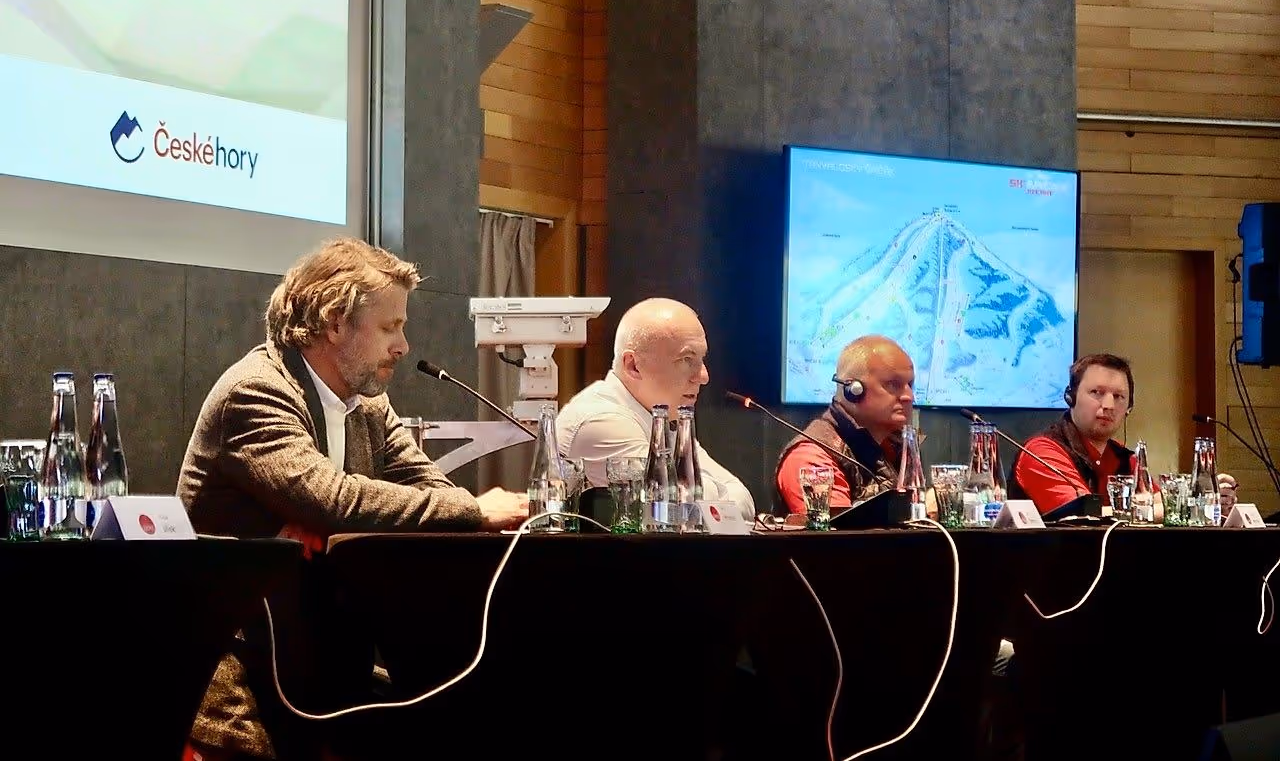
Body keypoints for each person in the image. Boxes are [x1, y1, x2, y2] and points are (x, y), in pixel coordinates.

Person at [177, 237, 528, 760]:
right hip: (241, 677)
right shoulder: (255, 391)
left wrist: (463, 511)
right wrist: (475, 510)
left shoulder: (368, 403)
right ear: (335, 323)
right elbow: (332, 500)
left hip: (325, 662)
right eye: (390, 327)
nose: (403, 346)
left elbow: (426, 484)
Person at [556, 297, 756, 519]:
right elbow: (677, 507)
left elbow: (744, 501)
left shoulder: (665, 417)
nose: (703, 376)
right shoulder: (600, 420)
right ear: (633, 365)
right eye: (686, 359)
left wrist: (711, 496)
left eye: (701, 359)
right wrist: (715, 496)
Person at [775, 334, 915, 514]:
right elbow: (838, 530)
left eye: (910, 384)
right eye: (893, 384)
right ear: (853, 390)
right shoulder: (811, 458)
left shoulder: (899, 446)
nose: (909, 396)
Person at [1010, 353, 1137, 513]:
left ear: (1129, 407)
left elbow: (1163, 503)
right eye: (1097, 392)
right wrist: (1144, 510)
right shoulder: (1041, 451)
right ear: (1071, 397)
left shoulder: (1125, 458)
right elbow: (1084, 513)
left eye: (1118, 396)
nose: (1109, 405)